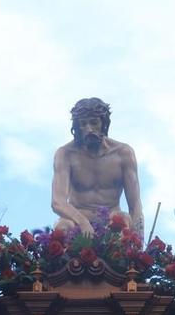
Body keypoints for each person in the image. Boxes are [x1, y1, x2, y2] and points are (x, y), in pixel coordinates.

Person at [51, 98, 144, 237]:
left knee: (122, 220)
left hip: (111, 218)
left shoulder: (123, 153)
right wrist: (83, 222)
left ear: (104, 123)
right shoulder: (65, 154)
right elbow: (58, 202)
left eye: (94, 122)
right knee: (62, 226)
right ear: (77, 126)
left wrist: (139, 245)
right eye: (83, 124)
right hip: (77, 218)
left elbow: (135, 205)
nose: (89, 129)